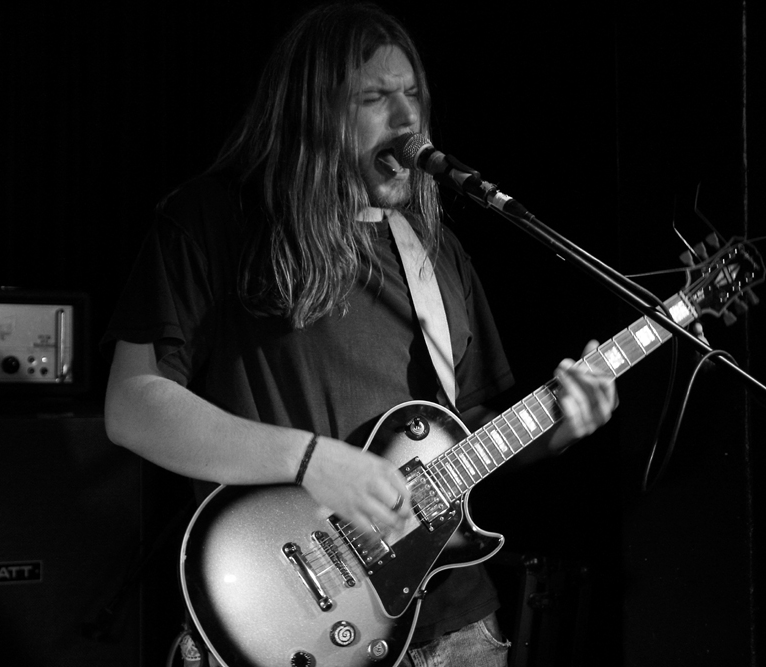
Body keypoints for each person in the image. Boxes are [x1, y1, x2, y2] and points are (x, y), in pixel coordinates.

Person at [102, 3, 616, 666]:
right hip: (285, 622)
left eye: (413, 95)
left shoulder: (436, 251)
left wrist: (557, 425)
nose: (406, 120)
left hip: (456, 632)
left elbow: (467, 431)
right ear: (310, 111)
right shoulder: (214, 222)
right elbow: (134, 404)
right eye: (375, 98)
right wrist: (313, 461)